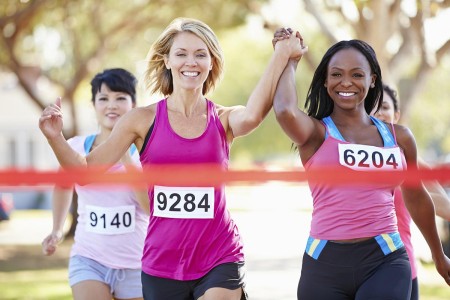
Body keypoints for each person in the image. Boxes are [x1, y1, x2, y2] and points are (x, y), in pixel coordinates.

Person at [39, 18, 305, 300]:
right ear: (166, 60)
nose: (191, 62)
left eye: (200, 54)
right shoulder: (140, 120)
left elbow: (253, 115)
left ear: (212, 62)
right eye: (181, 54)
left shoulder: (223, 118)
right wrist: (54, 137)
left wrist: (281, 54)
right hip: (161, 264)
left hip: (219, 254)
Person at [272, 28, 450, 300]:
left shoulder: (398, 137)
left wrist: (439, 257)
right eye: (336, 74)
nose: (346, 82)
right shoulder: (316, 134)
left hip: (385, 259)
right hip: (324, 260)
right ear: (325, 81)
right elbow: (284, 110)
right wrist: (290, 60)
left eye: (357, 74)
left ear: (372, 80)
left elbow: (416, 196)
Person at [41, 68, 149, 300]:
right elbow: (63, 185)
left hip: (137, 264)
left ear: (134, 104)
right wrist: (57, 230)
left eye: (121, 98)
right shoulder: (76, 147)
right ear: (93, 104)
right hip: (89, 260)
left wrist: (124, 154)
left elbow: (150, 208)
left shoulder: (145, 153)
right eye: (103, 98)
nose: (112, 105)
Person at [372, 83, 450, 300]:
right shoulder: (353, 156)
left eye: (384, 107)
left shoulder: (407, 158)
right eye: (373, 107)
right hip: (361, 269)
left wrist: (409, 186)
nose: (379, 112)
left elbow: (442, 204)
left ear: (396, 115)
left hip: (402, 269)